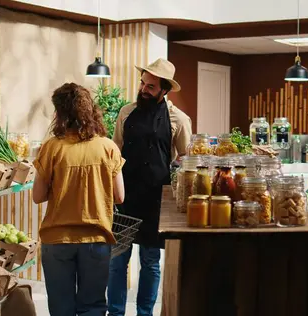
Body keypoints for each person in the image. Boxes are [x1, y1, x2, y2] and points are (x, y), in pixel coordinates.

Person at [32, 82, 125, 316]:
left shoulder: (51, 148)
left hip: (57, 239)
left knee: (61, 308)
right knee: (93, 306)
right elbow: (119, 196)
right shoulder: (108, 147)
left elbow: (37, 196)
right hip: (96, 238)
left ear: (60, 113)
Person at [108, 58, 192, 316]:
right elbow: (114, 152)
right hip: (125, 196)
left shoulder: (178, 118)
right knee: (117, 261)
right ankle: (116, 312)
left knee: (151, 262)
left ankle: (145, 313)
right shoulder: (126, 112)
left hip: (156, 199)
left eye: (151, 86)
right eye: (143, 83)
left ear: (164, 90)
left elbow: (186, 157)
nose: (143, 89)